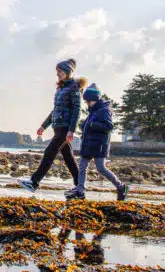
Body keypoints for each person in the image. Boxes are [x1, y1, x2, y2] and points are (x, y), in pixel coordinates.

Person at [18, 58, 87, 192]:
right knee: (68, 157)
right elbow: (55, 110)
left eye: (60, 71)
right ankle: (80, 186)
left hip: (65, 128)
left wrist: (71, 130)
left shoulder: (74, 88)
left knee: (49, 153)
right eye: (57, 71)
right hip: (58, 127)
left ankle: (34, 182)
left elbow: (77, 110)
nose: (57, 73)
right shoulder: (60, 88)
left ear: (68, 72)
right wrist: (44, 126)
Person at [66, 83, 128, 201]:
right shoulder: (93, 111)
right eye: (86, 101)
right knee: (82, 167)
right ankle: (80, 191)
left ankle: (121, 187)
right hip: (88, 144)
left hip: (99, 145)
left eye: (88, 101)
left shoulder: (104, 110)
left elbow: (109, 126)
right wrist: (84, 125)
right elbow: (88, 125)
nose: (87, 103)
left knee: (101, 168)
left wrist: (92, 125)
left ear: (94, 99)